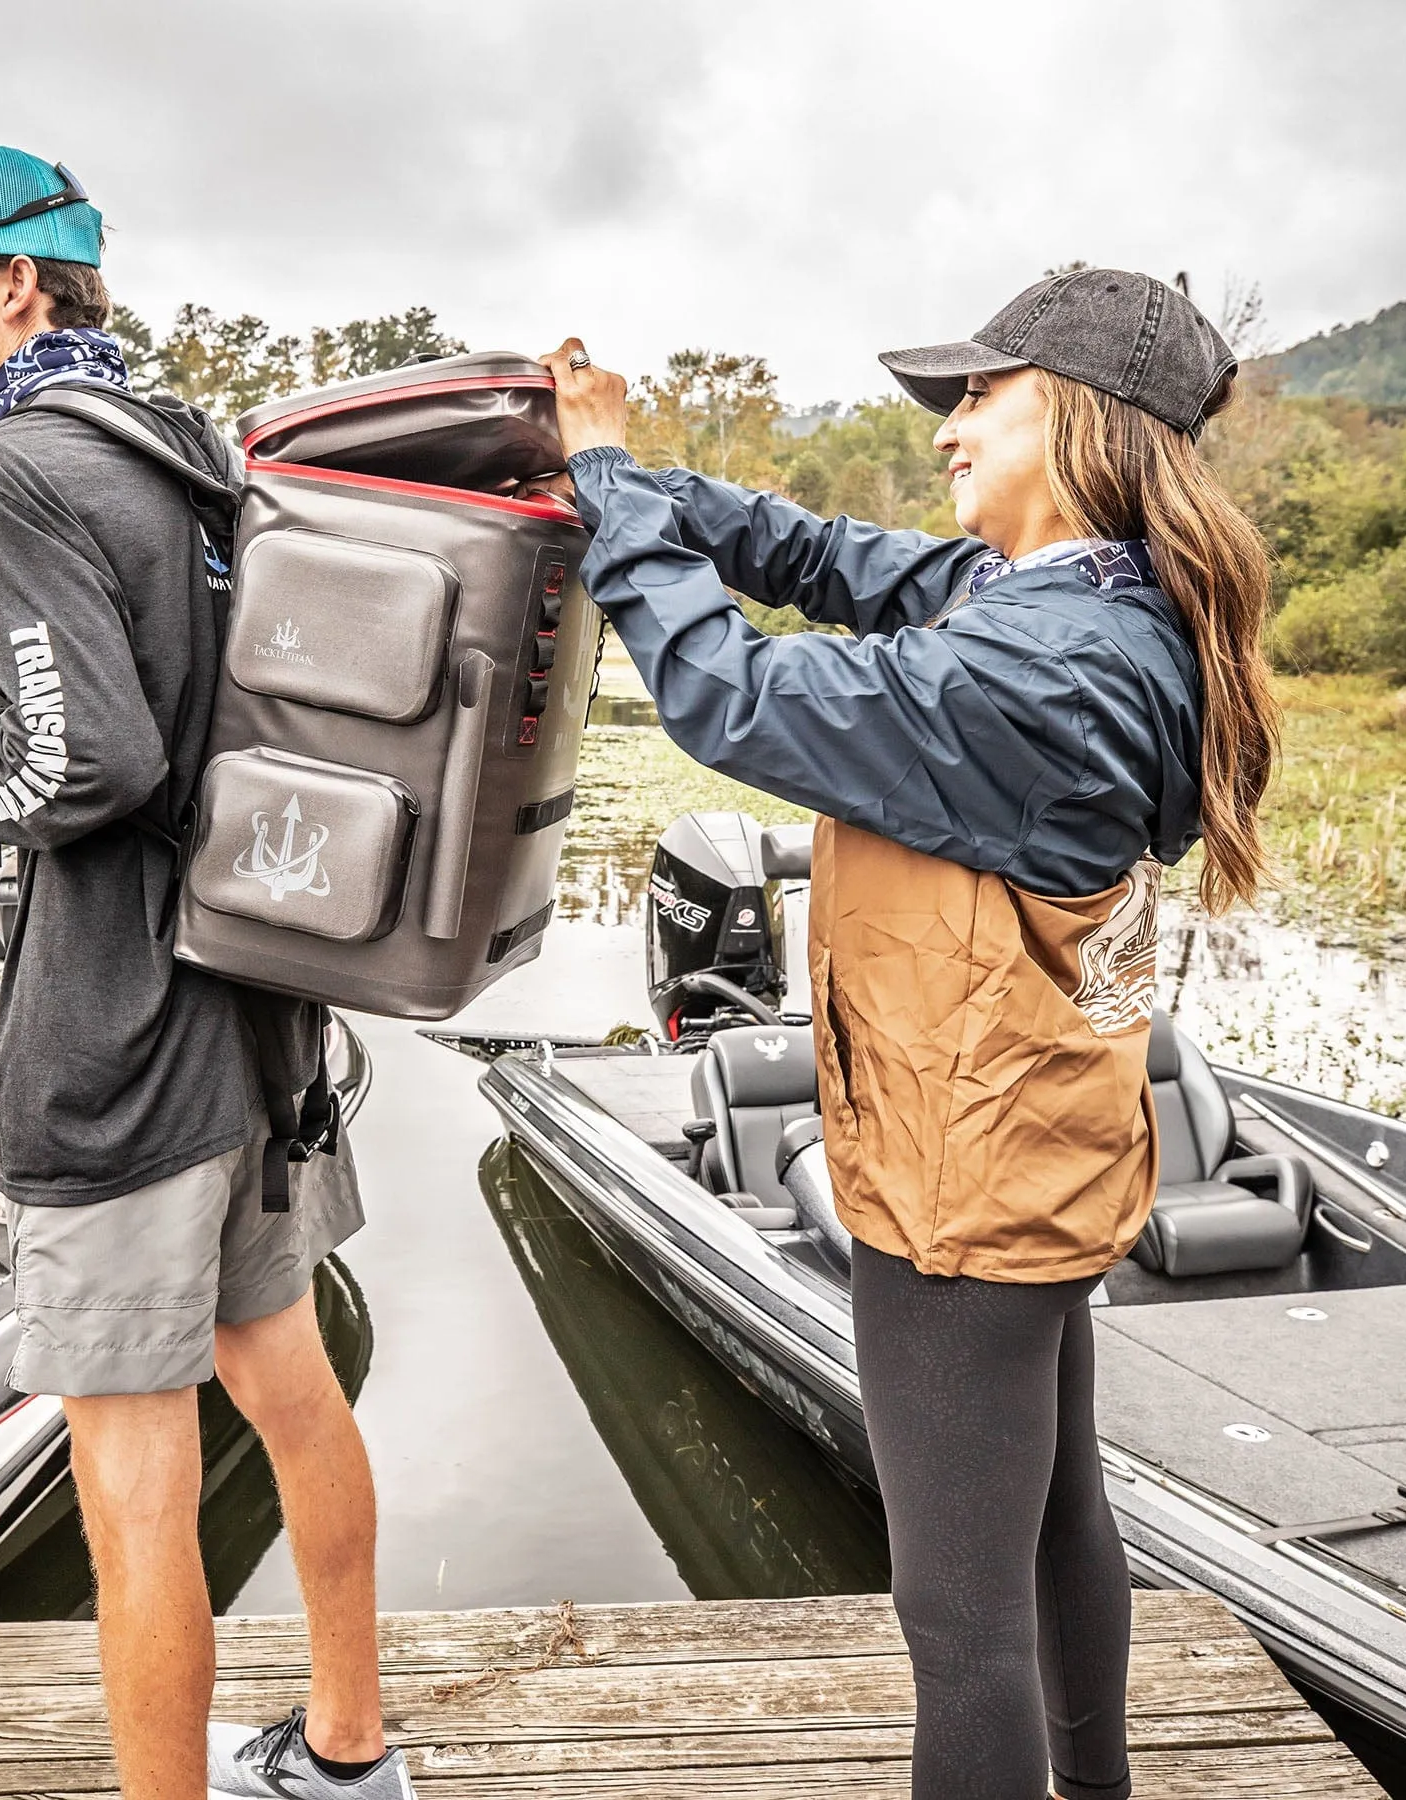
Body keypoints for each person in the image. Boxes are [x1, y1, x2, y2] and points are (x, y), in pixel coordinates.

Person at [538, 269, 1277, 1800]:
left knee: (960, 1628)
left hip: (962, 1185)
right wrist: (629, 483)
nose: (947, 431)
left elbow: (729, 693)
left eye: (977, 397)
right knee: (1063, 1515)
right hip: (1040, 1145)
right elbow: (819, 556)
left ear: (1076, 420)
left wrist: (608, 487)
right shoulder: (1084, 604)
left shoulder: (1038, 667)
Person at [0, 143, 417, 1800]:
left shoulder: (5, 475)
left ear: (17, 281)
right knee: (287, 1388)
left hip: (119, 1041)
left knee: (132, 1485)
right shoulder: (187, 450)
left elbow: (88, 773)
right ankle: (351, 1754)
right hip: (261, 1008)